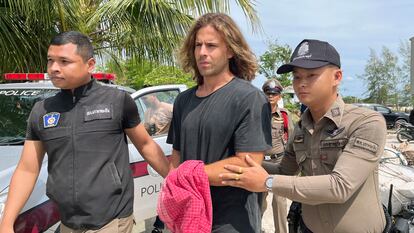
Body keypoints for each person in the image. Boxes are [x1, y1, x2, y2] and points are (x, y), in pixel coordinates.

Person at [0, 31, 171, 233]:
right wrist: (7, 223)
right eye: (50, 60)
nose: (54, 68)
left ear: (90, 65)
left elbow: (145, 145)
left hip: (111, 221)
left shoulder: (117, 101)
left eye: (64, 61)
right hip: (67, 222)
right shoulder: (42, 111)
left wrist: (174, 180)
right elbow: (28, 168)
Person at [220, 39, 387, 233]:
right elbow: (283, 171)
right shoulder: (301, 129)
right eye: (297, 77)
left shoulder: (366, 122)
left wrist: (267, 182)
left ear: (337, 77)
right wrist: (243, 158)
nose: (302, 83)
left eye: (311, 75)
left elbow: (340, 186)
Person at [167, 13, 272, 233]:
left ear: (231, 51)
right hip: (187, 217)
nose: (202, 52)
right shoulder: (183, 100)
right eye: (198, 45)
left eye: (211, 45)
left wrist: (186, 176)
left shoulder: (249, 98)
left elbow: (246, 164)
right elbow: (176, 158)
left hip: (231, 222)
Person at [261, 79, 293, 233]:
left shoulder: (285, 116)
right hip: (260, 163)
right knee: (259, 200)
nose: (271, 96)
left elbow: (292, 139)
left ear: (279, 96)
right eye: (268, 93)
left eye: (274, 94)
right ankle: (255, 228)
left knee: (280, 201)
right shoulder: (256, 114)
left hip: (279, 161)